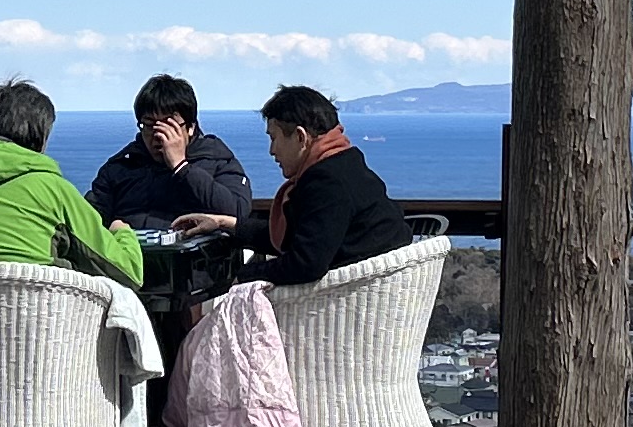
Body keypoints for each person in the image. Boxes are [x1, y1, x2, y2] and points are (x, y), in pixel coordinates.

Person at [0, 79, 149, 287]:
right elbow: (128, 273)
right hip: (36, 326)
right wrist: (122, 232)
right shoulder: (51, 188)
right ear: (41, 138)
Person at [244, 84, 417, 289]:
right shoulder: (346, 166)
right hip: (381, 290)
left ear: (300, 137)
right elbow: (307, 235)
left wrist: (240, 277)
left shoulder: (327, 183)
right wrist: (232, 226)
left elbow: (305, 264)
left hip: (348, 299)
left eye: (273, 138)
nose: (272, 150)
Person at [87, 73, 256, 235]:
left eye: (169, 126)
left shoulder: (216, 159)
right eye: (149, 125)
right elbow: (88, 220)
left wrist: (181, 167)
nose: (159, 135)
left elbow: (238, 213)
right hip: (130, 253)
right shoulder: (121, 166)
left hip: (197, 254)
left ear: (190, 127)